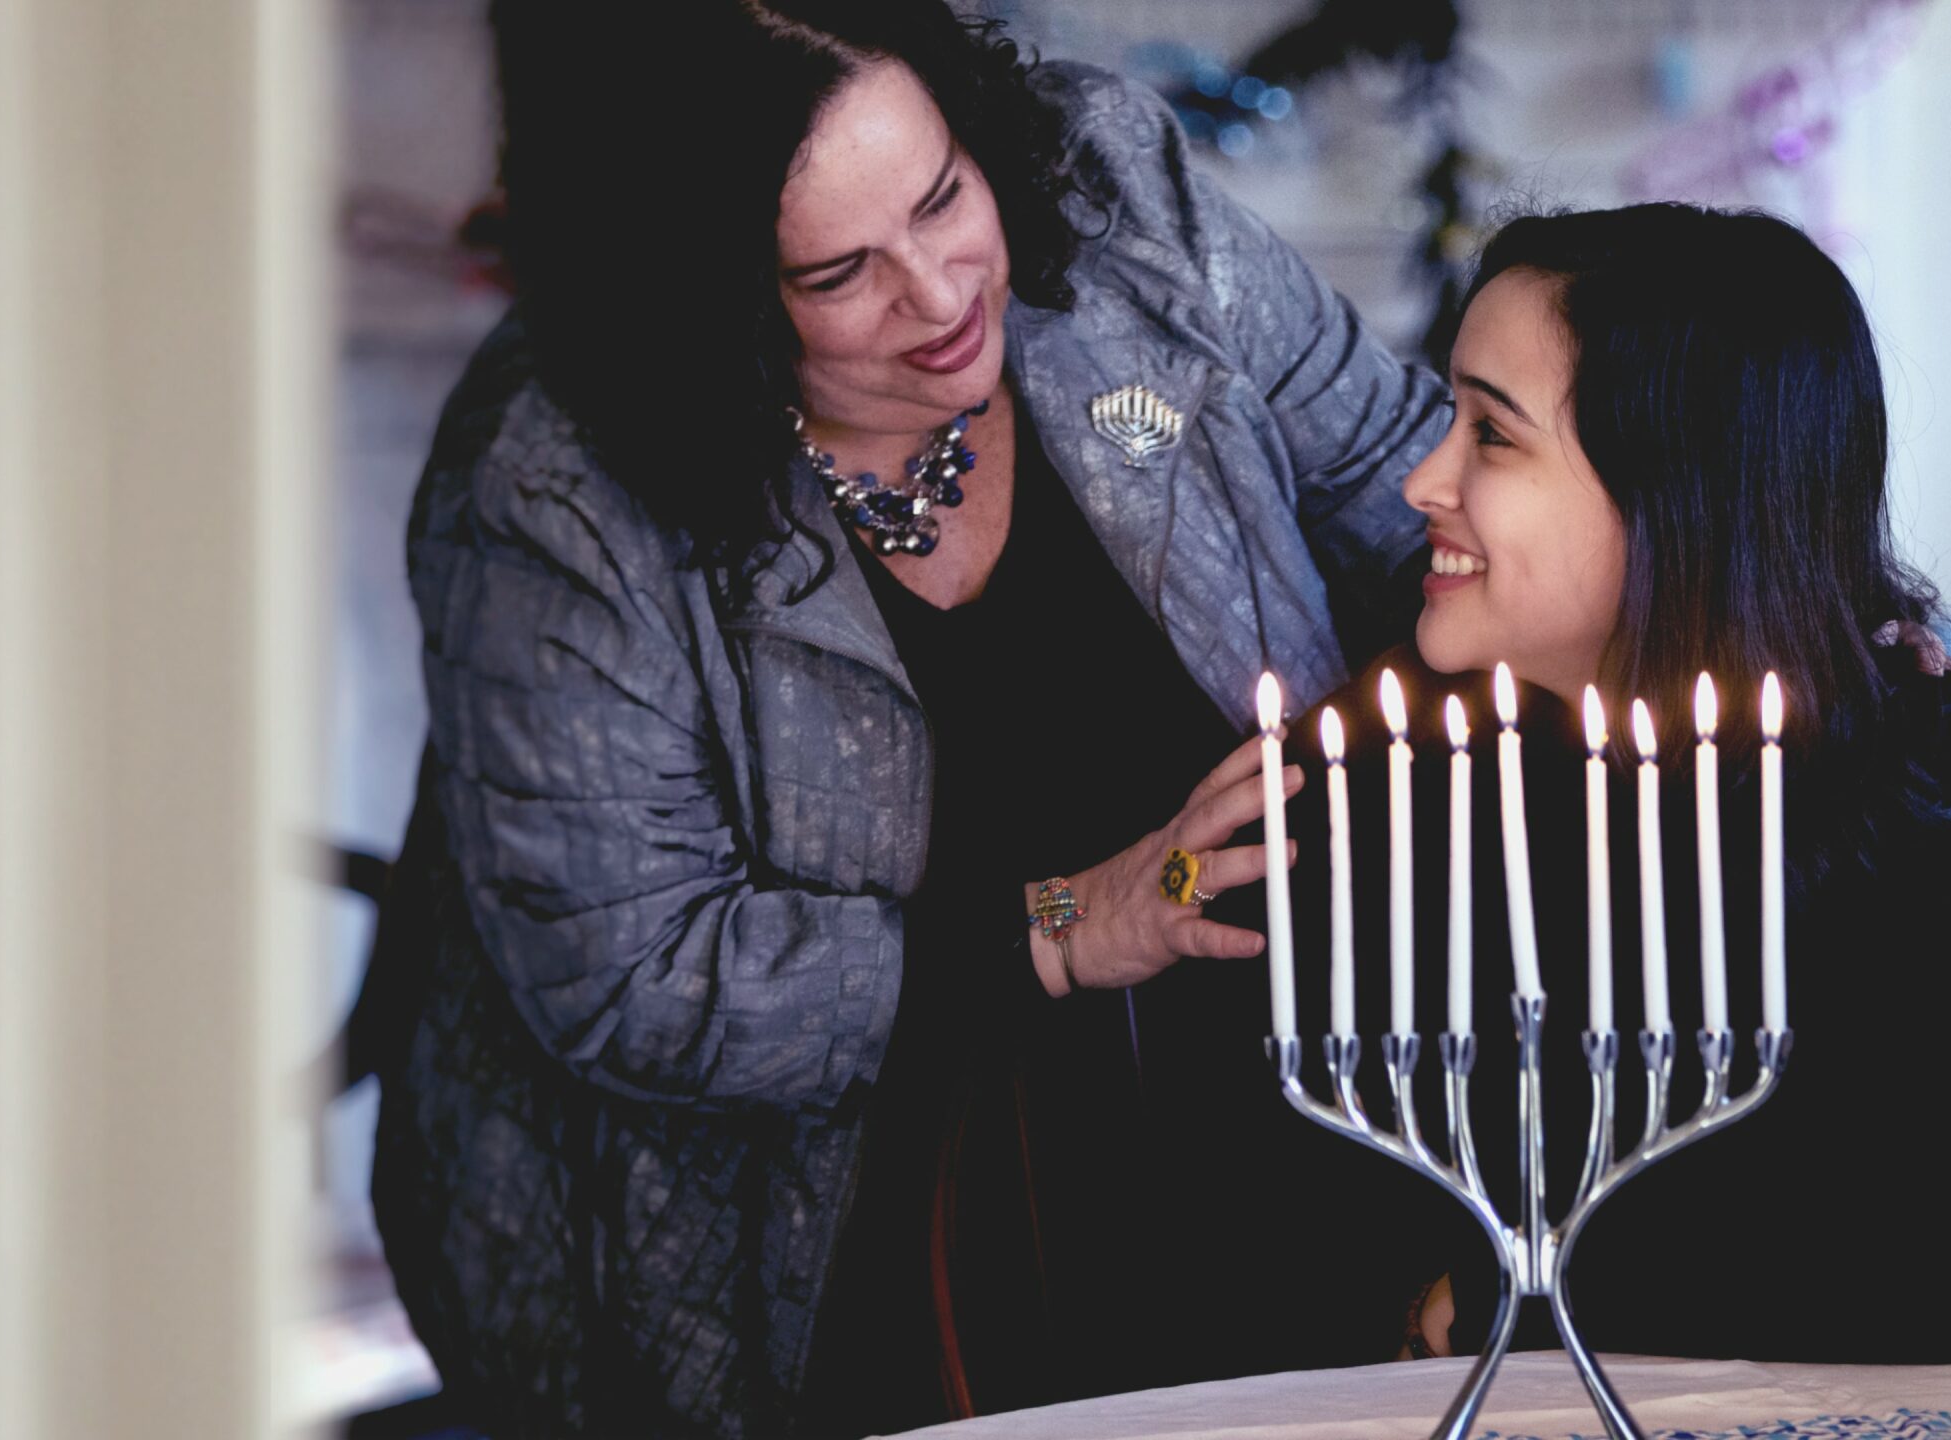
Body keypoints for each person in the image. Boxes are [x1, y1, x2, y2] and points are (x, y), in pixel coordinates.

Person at [359, 3, 1447, 1434]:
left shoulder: (1104, 188)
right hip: (836, 1260)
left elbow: (1406, 485)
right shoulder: (556, 473)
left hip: (1278, 1152)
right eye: (837, 273)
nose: (937, 297)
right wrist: (1064, 929)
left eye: (944, 198)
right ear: (712, 304)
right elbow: (639, 973)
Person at [1290, 202, 1951, 1365]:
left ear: (1673, 486)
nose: (1421, 482)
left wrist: (1520, 1306)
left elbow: (1929, 1279)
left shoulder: (1929, 772)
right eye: (1448, 416)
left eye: (1490, 436)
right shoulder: (1410, 758)